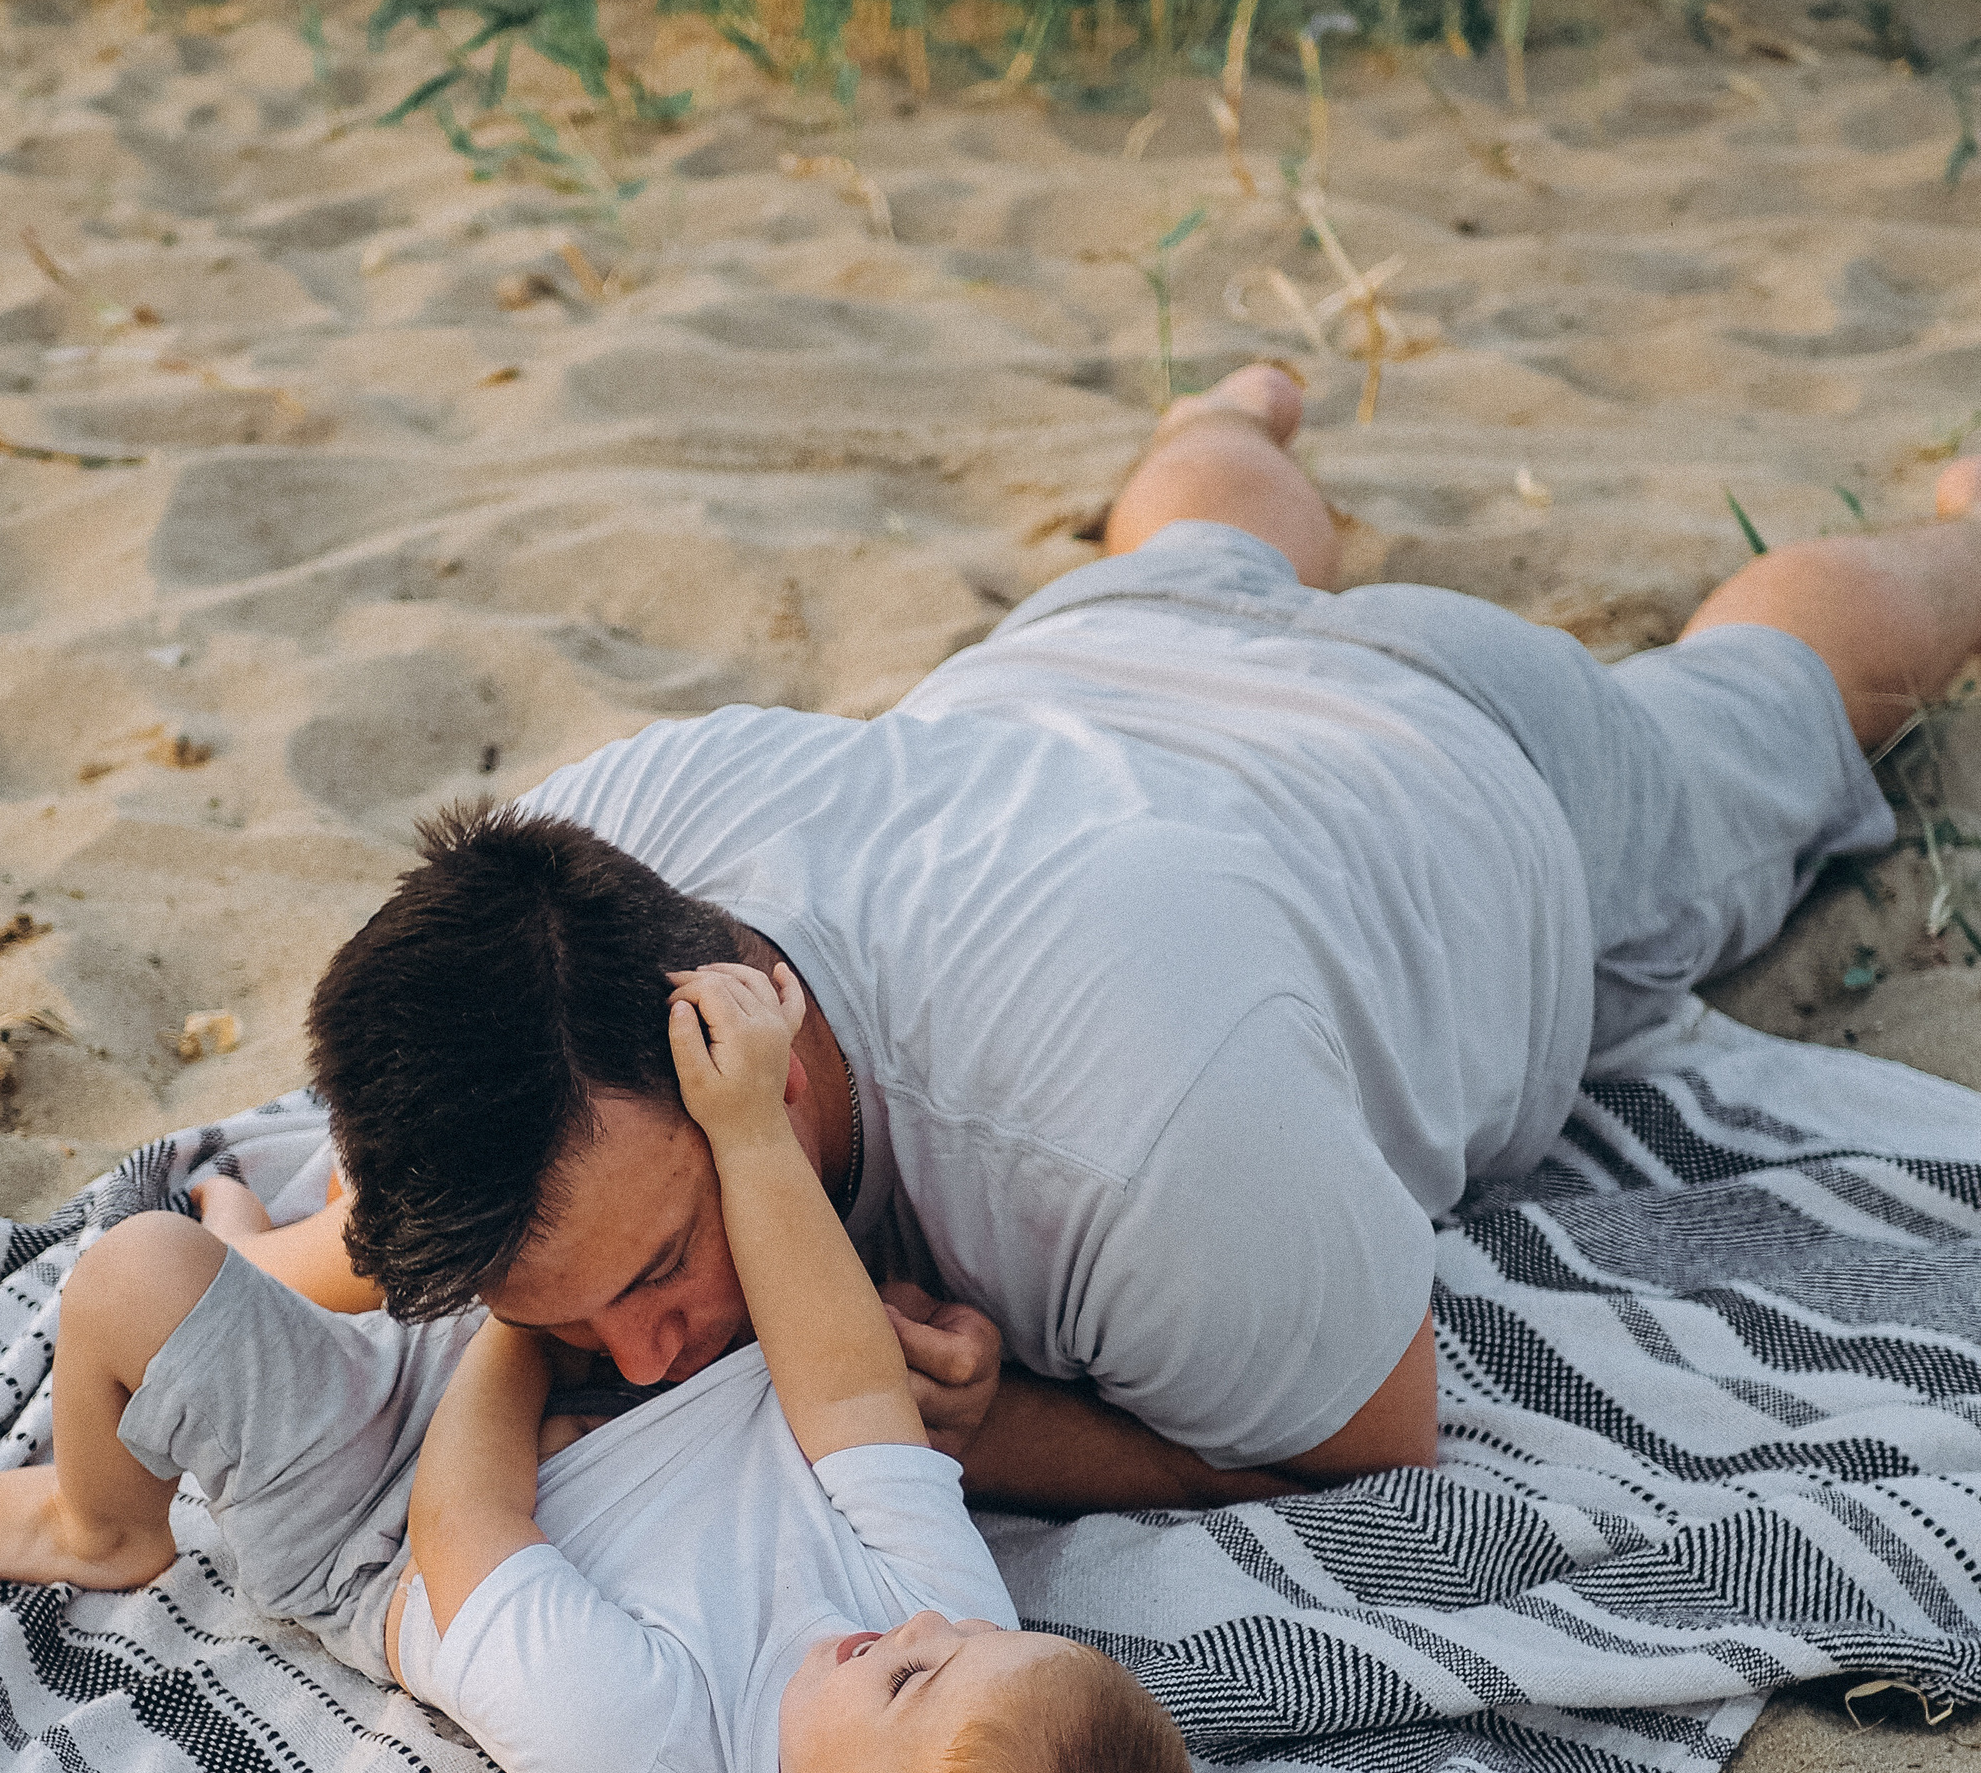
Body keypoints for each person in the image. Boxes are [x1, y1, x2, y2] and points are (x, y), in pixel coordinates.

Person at [297, 372, 1981, 1512]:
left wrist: (1005, 1429)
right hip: (1099, 664)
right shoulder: (572, 870)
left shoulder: (1136, 1142)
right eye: (581, 1317)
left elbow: (1379, 1436)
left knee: (1770, 698)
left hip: (1463, 763)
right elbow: (378, 1209)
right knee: (1201, 548)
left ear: (765, 1031)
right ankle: (1230, 412)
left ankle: (1965, 527)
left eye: (662, 1269)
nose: (648, 1362)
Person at [0, 960, 1225, 1773]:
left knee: (138, 1276)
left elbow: (459, 1525)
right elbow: (846, 1393)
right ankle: (298, 1255)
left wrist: (521, 1324)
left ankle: (103, 1521)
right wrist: (756, 1134)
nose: (929, 1615)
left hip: (383, 1504)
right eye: (971, 1632)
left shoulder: (644, 1746)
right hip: (633, 1392)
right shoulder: (954, 1643)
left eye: (912, 1676)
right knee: (496, 1196)